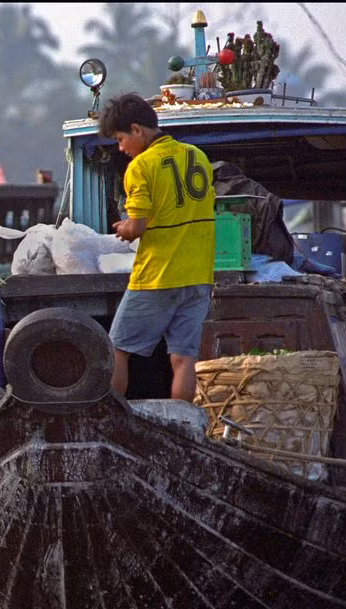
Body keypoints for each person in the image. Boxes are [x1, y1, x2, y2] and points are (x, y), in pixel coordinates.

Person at [98, 93, 216, 402]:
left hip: (158, 275)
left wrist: (124, 228)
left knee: (117, 349)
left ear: (137, 130)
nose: (121, 148)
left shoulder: (140, 167)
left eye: (121, 139)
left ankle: (111, 423)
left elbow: (136, 226)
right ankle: (183, 429)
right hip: (199, 276)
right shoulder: (197, 157)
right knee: (183, 358)